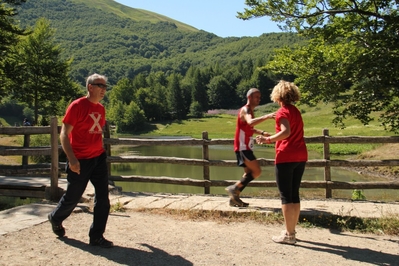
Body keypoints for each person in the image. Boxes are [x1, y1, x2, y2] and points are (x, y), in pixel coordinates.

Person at [48, 73, 113, 248]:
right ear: (90, 87)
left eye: (105, 86)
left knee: (103, 199)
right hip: (80, 160)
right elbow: (64, 134)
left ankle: (96, 237)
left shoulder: (101, 108)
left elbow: (96, 133)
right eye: (100, 86)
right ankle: (55, 218)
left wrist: (100, 152)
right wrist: (72, 159)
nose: (103, 90)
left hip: (98, 158)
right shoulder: (77, 106)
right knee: (73, 197)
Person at [256, 80, 308, 245]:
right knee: (294, 195)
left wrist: (267, 139)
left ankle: (289, 235)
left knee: (286, 196)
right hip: (301, 156)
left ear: (278, 95)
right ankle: (291, 231)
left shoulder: (282, 112)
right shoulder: (295, 111)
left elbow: (286, 133)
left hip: (286, 156)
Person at [225, 88, 275, 207]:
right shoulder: (245, 110)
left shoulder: (249, 111)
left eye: (259, 97)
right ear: (249, 98)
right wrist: (267, 116)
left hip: (244, 146)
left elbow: (249, 127)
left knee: (248, 173)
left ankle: (234, 198)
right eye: (256, 97)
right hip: (243, 147)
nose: (259, 99)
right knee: (256, 171)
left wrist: (262, 133)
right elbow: (251, 122)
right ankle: (234, 188)